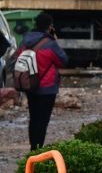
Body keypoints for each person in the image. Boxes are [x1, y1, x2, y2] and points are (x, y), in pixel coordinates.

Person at [18, 13, 67, 150]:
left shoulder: (25, 41)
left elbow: (17, 58)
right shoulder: (50, 44)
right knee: (42, 120)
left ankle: (33, 147)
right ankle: (37, 149)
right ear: (50, 26)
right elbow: (63, 61)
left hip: (30, 85)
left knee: (33, 117)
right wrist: (55, 40)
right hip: (47, 87)